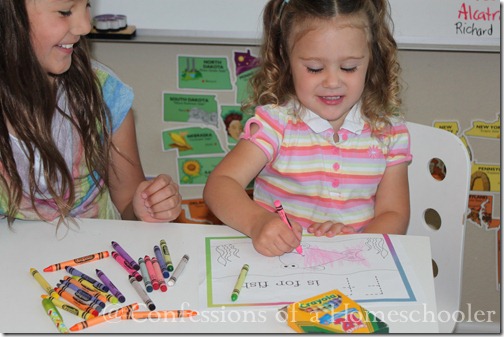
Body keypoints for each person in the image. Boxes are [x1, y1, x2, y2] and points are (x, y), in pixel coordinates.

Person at [204, 0, 411, 257]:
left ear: (372, 59)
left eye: (349, 67)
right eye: (314, 68)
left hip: (356, 267)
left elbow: (394, 214)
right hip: (280, 266)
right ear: (286, 59)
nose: (333, 82)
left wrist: (356, 245)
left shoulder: (389, 133)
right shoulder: (276, 124)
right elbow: (220, 184)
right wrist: (256, 222)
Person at [0, 0, 182, 227]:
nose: (85, 26)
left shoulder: (105, 96)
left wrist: (145, 207)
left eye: (87, 6)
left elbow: (127, 203)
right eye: (65, 12)